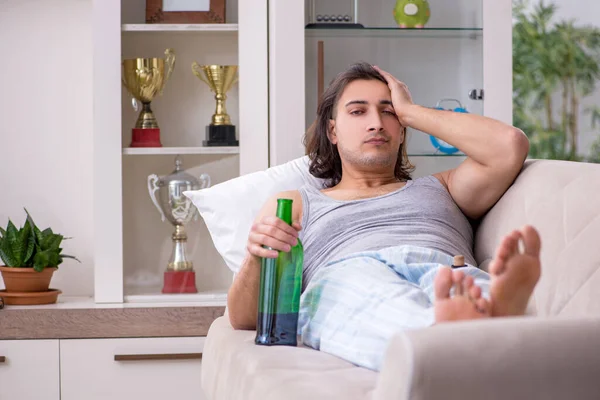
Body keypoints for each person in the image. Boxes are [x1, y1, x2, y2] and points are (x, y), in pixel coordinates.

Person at [227, 61, 541, 371]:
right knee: (360, 291)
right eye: (358, 111)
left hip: (443, 270)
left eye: (388, 111)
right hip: (350, 275)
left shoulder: (444, 187)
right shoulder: (296, 203)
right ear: (332, 130)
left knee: (464, 288)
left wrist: (411, 111)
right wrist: (258, 258)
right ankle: (470, 331)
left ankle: (462, 329)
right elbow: (243, 318)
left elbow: (509, 146)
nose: (376, 123)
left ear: (402, 131)